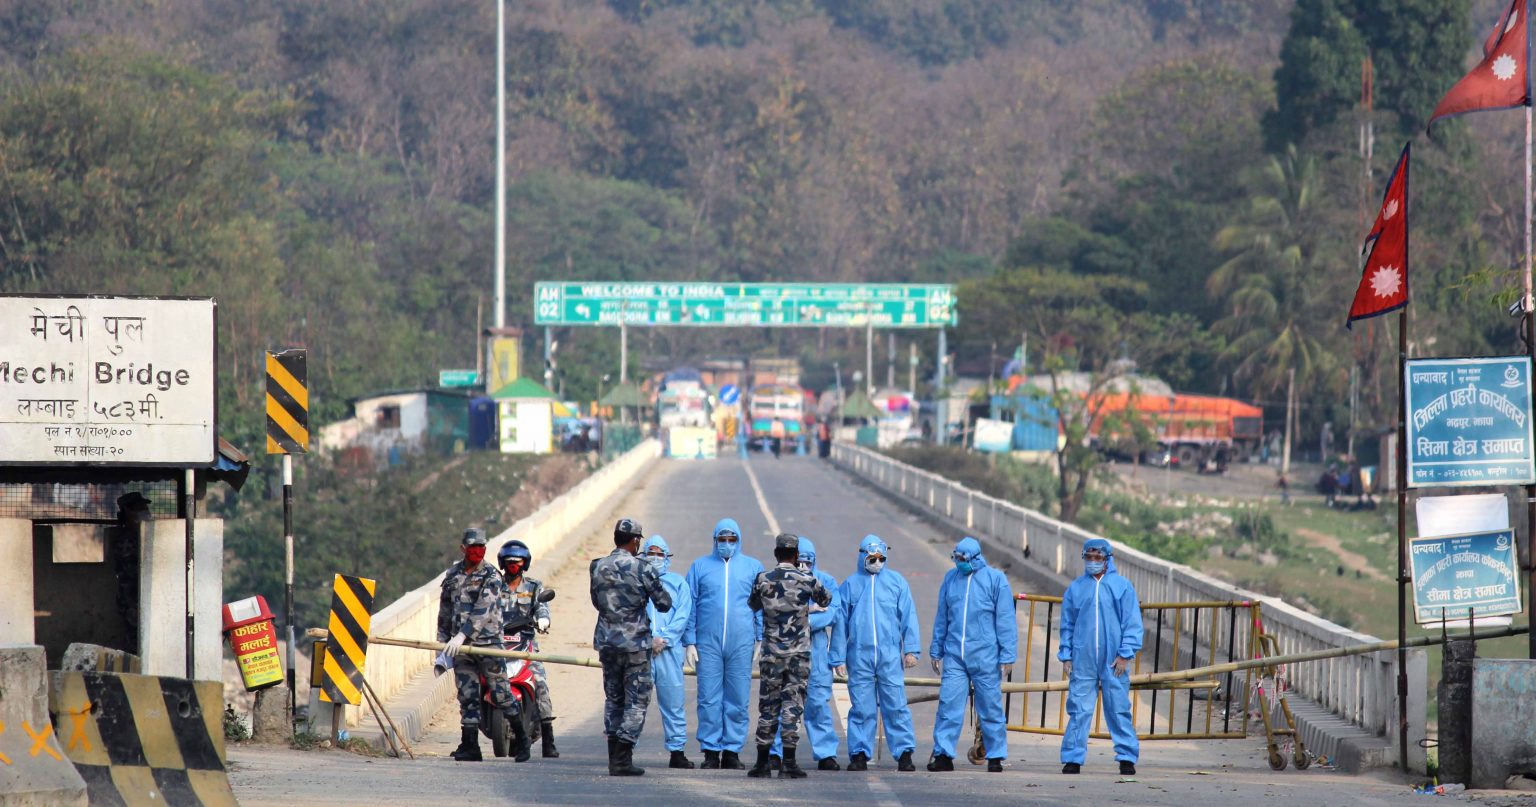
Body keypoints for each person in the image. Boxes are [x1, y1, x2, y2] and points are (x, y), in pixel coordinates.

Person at [926, 536, 1017, 773]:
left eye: (963, 559)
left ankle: (995, 754)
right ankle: (943, 754)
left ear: (975, 559)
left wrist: (1007, 655)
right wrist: (936, 649)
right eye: (956, 558)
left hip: (985, 655)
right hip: (955, 654)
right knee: (949, 705)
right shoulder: (951, 579)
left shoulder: (996, 580)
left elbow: (1005, 620)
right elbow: (942, 617)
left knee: (990, 706)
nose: (959, 562)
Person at [831, 535, 921, 772]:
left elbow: (908, 617)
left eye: (881, 558)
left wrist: (911, 649)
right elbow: (841, 623)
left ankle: (904, 753)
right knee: (861, 706)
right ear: (862, 556)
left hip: (889, 655)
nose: (877, 562)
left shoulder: (897, 582)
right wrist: (837, 657)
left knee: (896, 704)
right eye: (872, 558)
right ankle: (859, 753)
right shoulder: (850, 585)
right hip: (859, 656)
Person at [747, 533, 834, 778]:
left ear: (776, 554)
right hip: (798, 656)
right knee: (792, 707)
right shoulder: (806, 579)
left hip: (771, 654)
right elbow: (826, 598)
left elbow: (753, 605)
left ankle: (762, 763)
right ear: (796, 556)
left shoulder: (762, 579)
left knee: (768, 707)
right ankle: (789, 763)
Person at [591, 518, 672, 776]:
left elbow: (596, 601)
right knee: (636, 701)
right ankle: (623, 758)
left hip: (607, 643)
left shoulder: (597, 566)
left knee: (614, 699)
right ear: (635, 540)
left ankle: (613, 758)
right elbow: (664, 603)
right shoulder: (642, 568)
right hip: (635, 645)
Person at [683, 518, 765, 770]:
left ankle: (731, 750)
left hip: (742, 642)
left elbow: (760, 604)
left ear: (738, 540)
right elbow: (690, 604)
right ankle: (710, 750)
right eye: (722, 540)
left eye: (732, 540)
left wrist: (760, 636)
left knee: (738, 697)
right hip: (708, 642)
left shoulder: (753, 567)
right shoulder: (700, 567)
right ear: (715, 540)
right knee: (708, 697)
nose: (727, 544)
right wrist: (690, 640)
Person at [1059, 537, 1143, 776]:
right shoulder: (1076, 588)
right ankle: (1072, 758)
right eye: (1089, 557)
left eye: (1098, 557)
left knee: (1118, 708)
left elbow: (1132, 624)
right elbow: (1067, 624)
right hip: (1083, 659)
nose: (1093, 561)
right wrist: (1066, 655)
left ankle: (1126, 757)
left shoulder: (1122, 586)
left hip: (1113, 660)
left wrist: (1125, 655)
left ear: (1107, 559)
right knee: (1079, 708)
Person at [438, 527, 520, 762]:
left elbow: (483, 610)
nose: (477, 552)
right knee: (467, 694)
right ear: (463, 549)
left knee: (501, 692)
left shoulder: (491, 576)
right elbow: (445, 611)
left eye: (481, 548)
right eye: (473, 548)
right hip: (461, 648)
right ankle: (470, 745)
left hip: (487, 644)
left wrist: (462, 635)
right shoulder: (453, 575)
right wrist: (442, 645)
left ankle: (522, 739)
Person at [770, 536, 844, 770]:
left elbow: (832, 614)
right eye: (799, 561)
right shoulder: (779, 581)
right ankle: (776, 753)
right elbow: (773, 611)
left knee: (818, 706)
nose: (803, 567)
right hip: (788, 655)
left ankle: (825, 754)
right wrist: (811, 613)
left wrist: (800, 618)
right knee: (784, 705)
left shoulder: (825, 581)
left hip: (817, 657)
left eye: (808, 562)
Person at [497, 539, 557, 760]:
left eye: (518, 562)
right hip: (498, 644)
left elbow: (542, 607)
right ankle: (469, 733)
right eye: (510, 562)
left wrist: (543, 620)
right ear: (502, 564)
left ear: (525, 564)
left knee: (540, 683)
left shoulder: (533, 587)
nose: (514, 566)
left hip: (525, 644)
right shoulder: (493, 586)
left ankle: (549, 740)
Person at [642, 535, 696, 769]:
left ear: (667, 558)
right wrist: (646, 639)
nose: (655, 558)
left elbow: (683, 614)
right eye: (650, 553)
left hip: (668, 651)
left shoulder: (677, 583)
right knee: (635, 703)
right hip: (640, 652)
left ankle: (677, 751)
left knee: (673, 702)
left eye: (659, 554)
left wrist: (664, 638)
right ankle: (624, 750)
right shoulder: (635, 580)